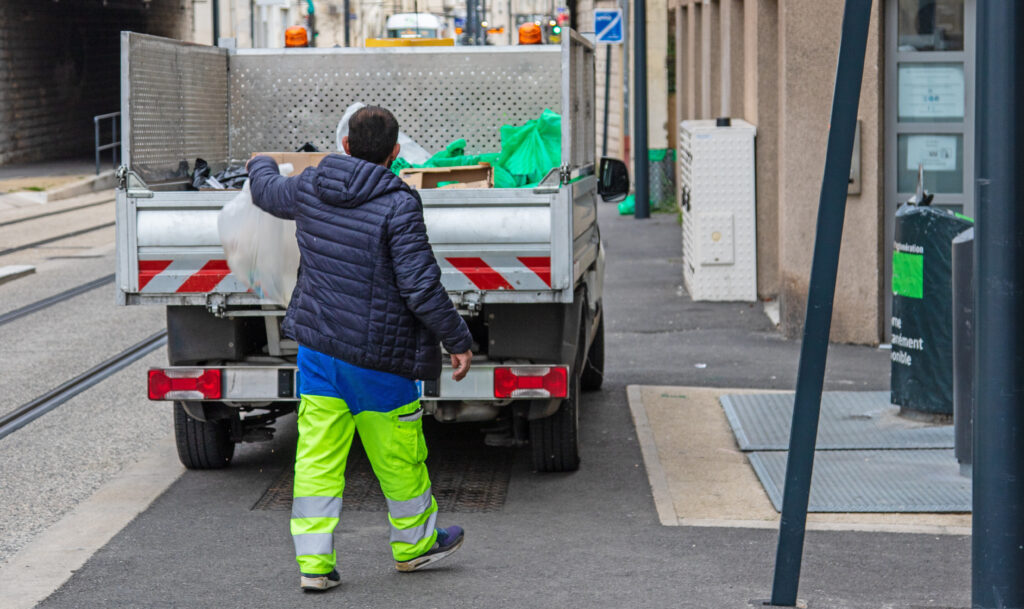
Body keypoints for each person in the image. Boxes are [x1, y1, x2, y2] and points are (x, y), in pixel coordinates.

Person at [247, 105, 474, 593]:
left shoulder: (310, 186)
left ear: (345, 145)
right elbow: (420, 287)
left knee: (317, 459)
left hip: (320, 354)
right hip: (379, 360)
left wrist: (260, 161)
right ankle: (415, 545)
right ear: (395, 153)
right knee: (398, 457)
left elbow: (266, 191)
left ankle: (314, 565)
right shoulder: (398, 204)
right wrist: (457, 339)